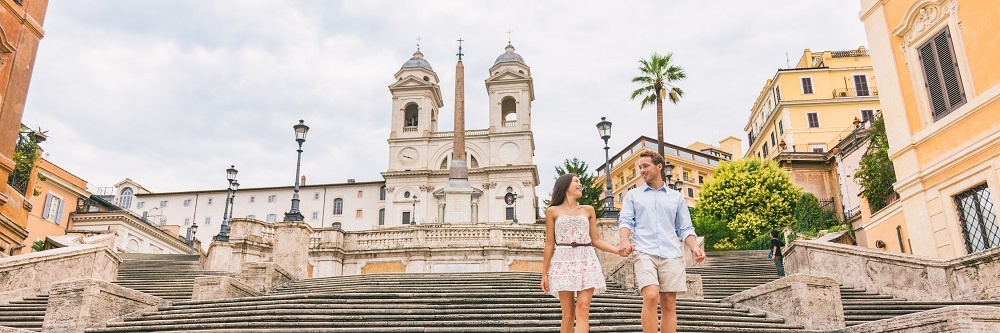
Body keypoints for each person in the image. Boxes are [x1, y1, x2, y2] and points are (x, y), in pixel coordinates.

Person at [617, 150, 706, 333]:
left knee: (669, 303)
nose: (641, 170)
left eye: (645, 166)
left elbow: (685, 228)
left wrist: (695, 247)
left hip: (671, 253)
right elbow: (625, 221)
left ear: (659, 166)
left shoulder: (676, 197)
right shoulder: (633, 196)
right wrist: (624, 240)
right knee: (650, 295)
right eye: (640, 167)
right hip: (643, 251)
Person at [541, 173, 620, 333]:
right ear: (565, 186)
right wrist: (544, 273)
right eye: (576, 181)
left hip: (586, 259)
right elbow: (549, 244)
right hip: (563, 260)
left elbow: (596, 240)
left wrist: (617, 250)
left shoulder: (588, 210)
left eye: (580, 182)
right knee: (568, 314)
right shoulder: (552, 211)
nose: (580, 184)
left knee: (583, 308)